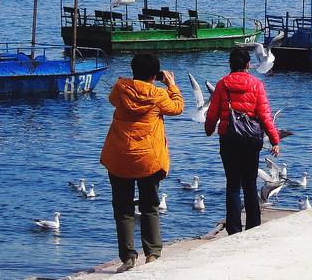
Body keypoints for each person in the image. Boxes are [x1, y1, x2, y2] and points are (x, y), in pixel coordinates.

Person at [99, 53, 185, 271]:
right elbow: (178, 108)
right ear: (156, 76)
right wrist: (172, 85)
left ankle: (128, 258)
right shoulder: (158, 95)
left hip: (119, 157)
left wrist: (128, 81)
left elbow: (112, 100)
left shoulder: (120, 89)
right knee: (149, 206)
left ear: (133, 70)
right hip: (148, 159)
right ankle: (152, 254)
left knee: (123, 209)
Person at [203, 47, 282, 234]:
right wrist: (275, 140)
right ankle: (253, 226)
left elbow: (213, 112)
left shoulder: (222, 84)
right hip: (251, 140)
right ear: (248, 64)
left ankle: (233, 229)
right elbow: (265, 115)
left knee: (232, 185)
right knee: (249, 183)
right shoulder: (256, 85)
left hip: (229, 138)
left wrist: (208, 129)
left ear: (230, 64)